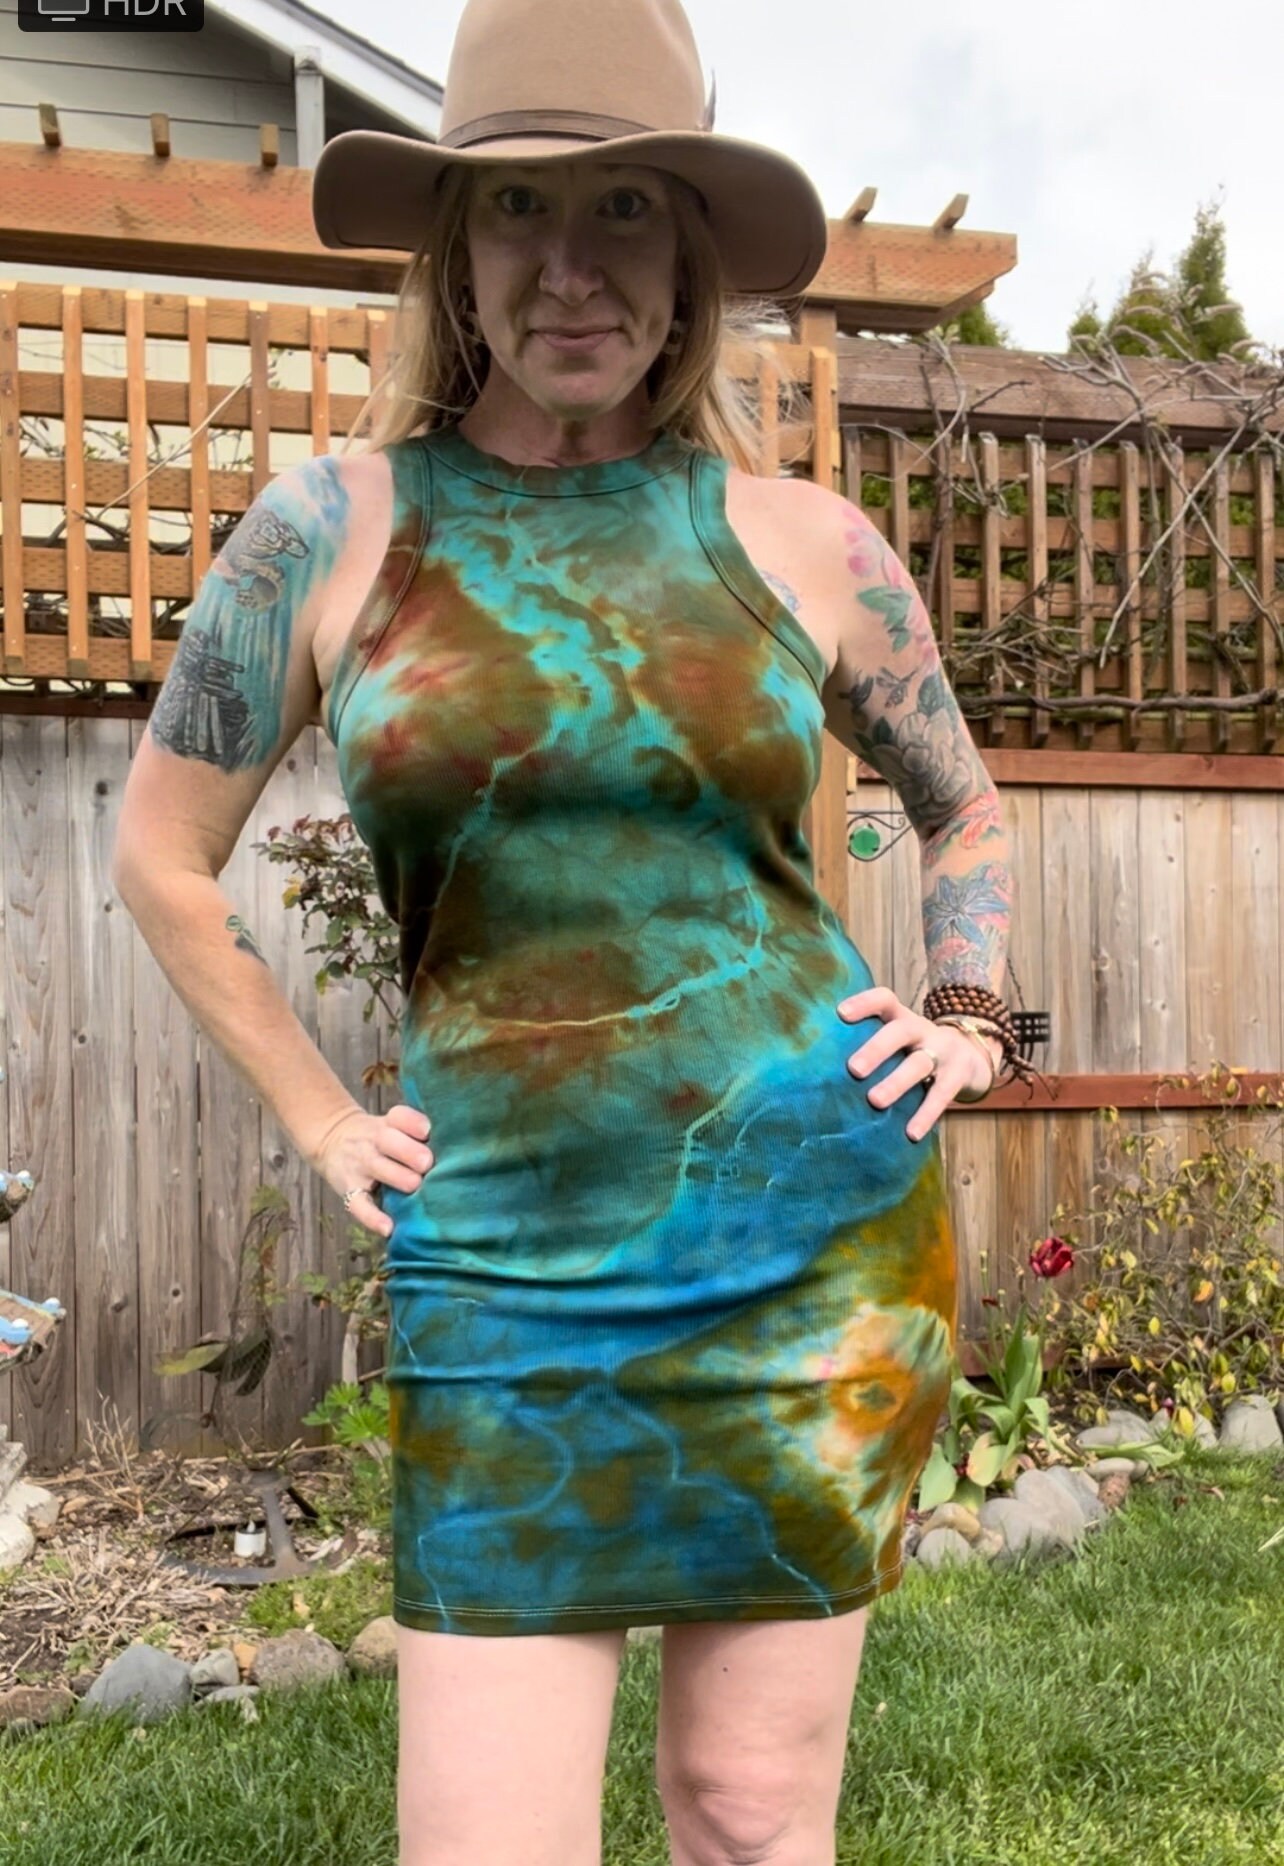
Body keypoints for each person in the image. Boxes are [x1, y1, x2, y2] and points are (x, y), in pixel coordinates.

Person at [113, 0, 1028, 1860]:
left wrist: (973, 1011)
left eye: (624, 211)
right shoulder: (330, 528)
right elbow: (159, 853)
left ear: (688, 263)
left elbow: (966, 806)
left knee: (749, 1808)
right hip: (503, 1274)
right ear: (455, 251)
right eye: (520, 209)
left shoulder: (805, 541)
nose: (571, 267)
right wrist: (316, 1114)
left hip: (806, 1256)